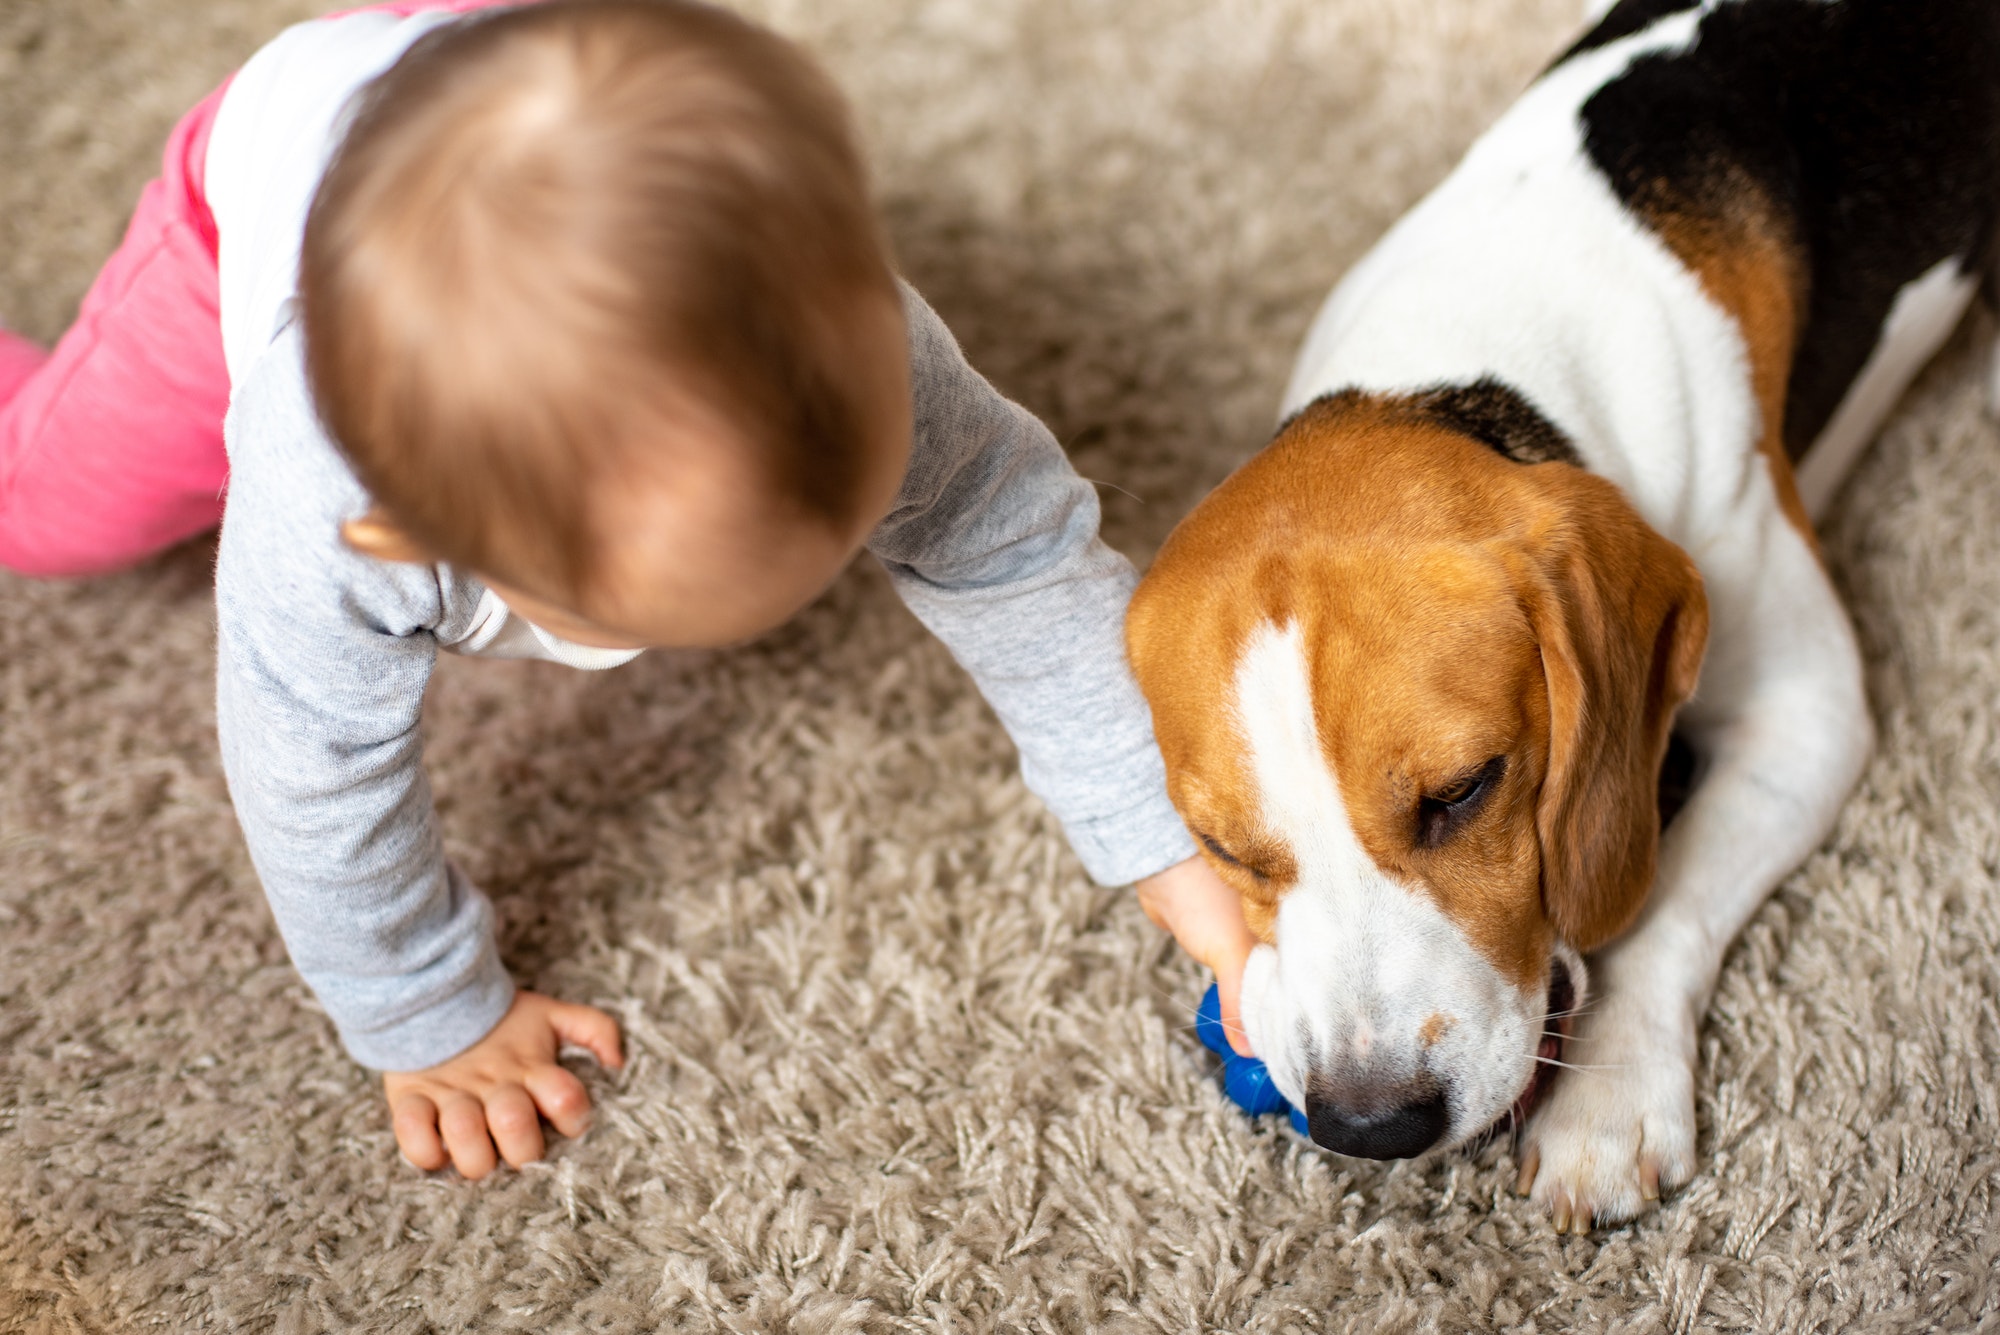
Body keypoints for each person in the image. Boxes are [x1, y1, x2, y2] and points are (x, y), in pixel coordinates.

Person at [0, 0, 1253, 1179]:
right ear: (415, 538)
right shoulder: (324, 488)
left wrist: (1161, 833)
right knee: (48, 509)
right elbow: (310, 773)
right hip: (282, 149)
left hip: (533, 63)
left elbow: (1013, 549)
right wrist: (428, 1014)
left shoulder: (864, 339)